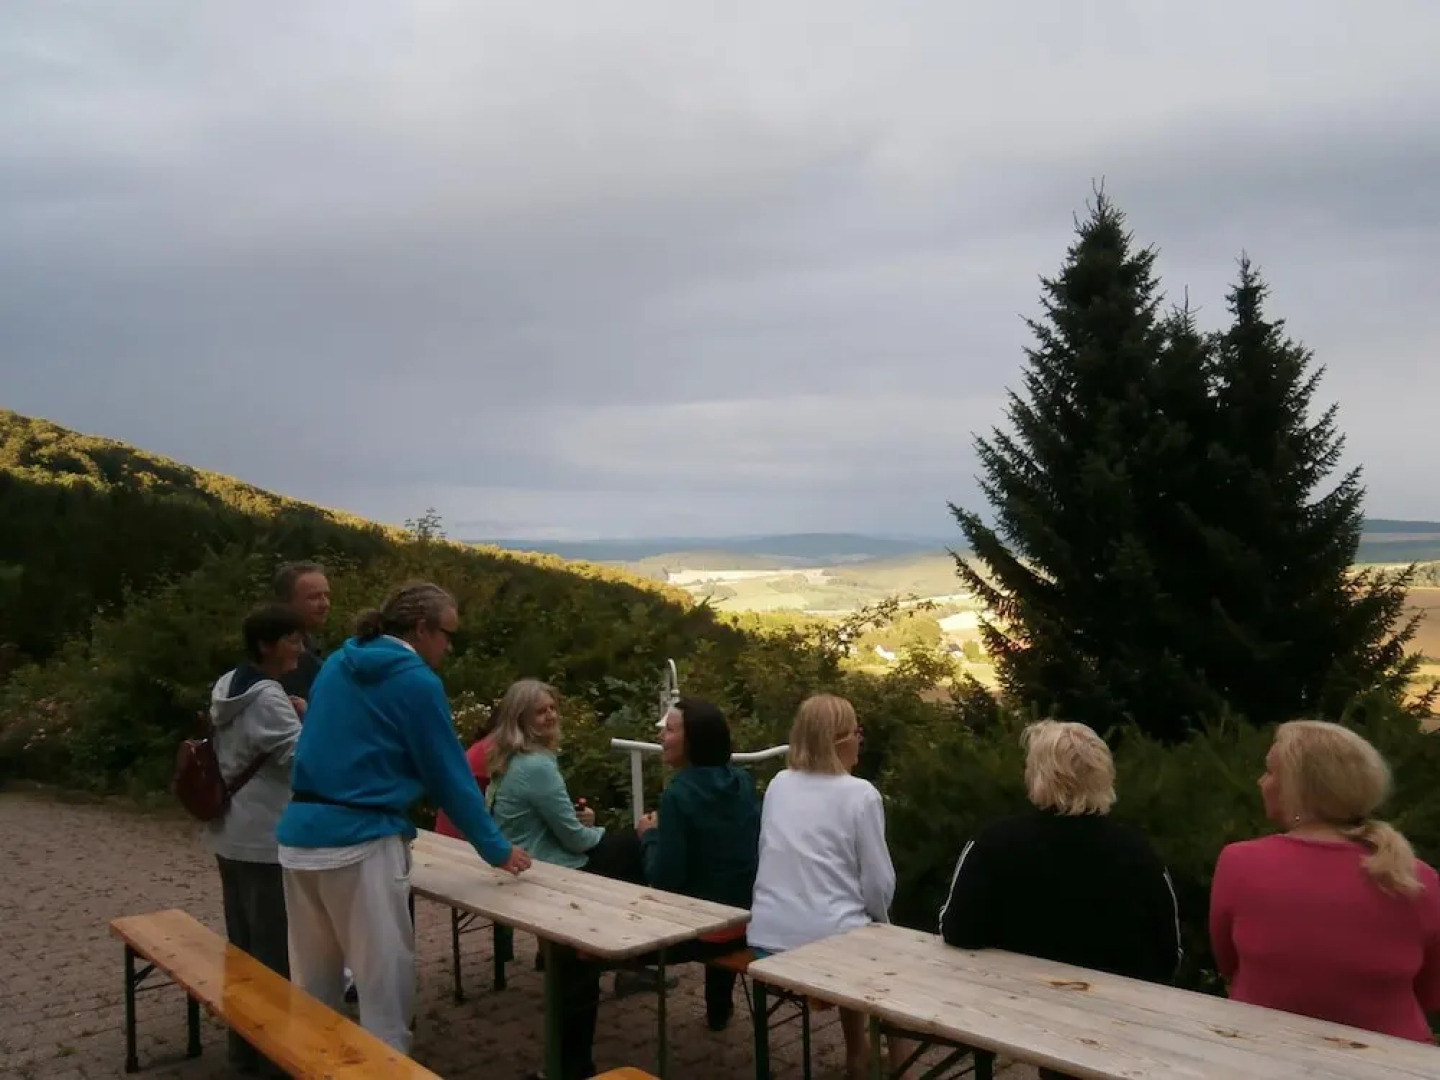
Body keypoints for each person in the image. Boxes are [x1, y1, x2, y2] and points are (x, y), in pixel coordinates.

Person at [275, 582, 531, 1054]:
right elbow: (449, 776)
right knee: (384, 990)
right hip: (361, 843)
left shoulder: (336, 664)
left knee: (315, 990)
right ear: (421, 628)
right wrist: (496, 848)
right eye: (447, 634)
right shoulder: (416, 681)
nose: (450, 646)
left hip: (298, 838)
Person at [938, 720, 1182, 1080]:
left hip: (1017, 1016)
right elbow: (1169, 953)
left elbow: (957, 930)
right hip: (1121, 1026)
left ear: (1037, 776)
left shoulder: (994, 843)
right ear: (1102, 775)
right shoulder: (1139, 853)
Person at [1209, 720, 1440, 1042]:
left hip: (1263, 1054)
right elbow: (1431, 996)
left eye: (1270, 772)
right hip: (1392, 1061)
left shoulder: (1239, 862)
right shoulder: (1417, 877)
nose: (1261, 782)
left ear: (1297, 788)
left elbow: (1229, 967)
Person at [486, 679, 650, 1080]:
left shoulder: (506, 759)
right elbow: (575, 840)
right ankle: (634, 954)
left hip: (523, 859)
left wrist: (585, 826)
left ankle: (614, 951)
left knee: (627, 843)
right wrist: (612, 834)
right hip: (547, 868)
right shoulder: (538, 765)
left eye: (552, 708)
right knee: (639, 844)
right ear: (521, 717)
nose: (551, 715)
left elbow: (540, 823)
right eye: (541, 710)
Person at [748, 694, 912, 1080]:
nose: (860, 740)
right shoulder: (861, 794)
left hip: (768, 938)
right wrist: (883, 923)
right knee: (888, 953)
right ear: (839, 740)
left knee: (847, 931)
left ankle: (859, 1054)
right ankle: (902, 1067)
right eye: (857, 732)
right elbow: (878, 882)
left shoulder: (779, 784)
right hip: (828, 942)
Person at [205, 603, 306, 1074]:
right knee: (272, 956)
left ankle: (243, 1053)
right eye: (292, 639)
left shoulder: (229, 684)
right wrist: (310, 720)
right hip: (266, 838)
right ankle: (273, 1058)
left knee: (242, 950)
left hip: (231, 832)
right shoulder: (267, 697)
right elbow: (301, 761)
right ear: (267, 645)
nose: (300, 648)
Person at [636, 696, 761, 1031]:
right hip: (748, 919)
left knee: (583, 953)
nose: (662, 735)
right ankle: (718, 1010)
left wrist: (649, 836)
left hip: (700, 931)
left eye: (671, 729)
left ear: (693, 741)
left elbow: (665, 879)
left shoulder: (677, 795)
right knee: (720, 883)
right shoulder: (743, 783)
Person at [272, 560, 331, 708]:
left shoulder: (309, 644)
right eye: (314, 597)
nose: (325, 604)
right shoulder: (280, 655)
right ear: (286, 602)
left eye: (326, 595)